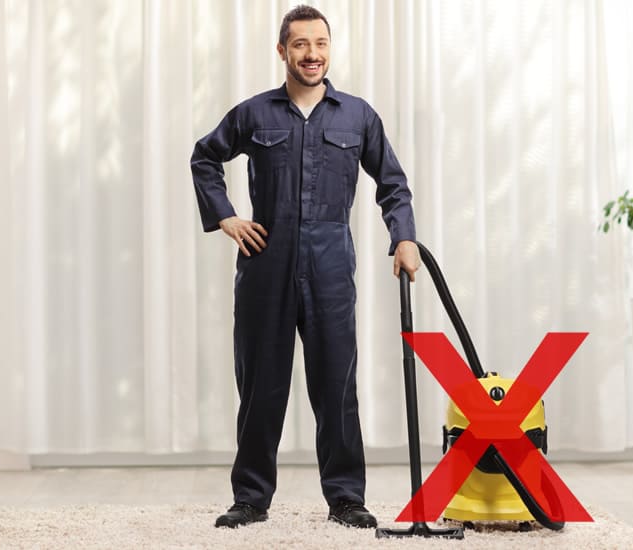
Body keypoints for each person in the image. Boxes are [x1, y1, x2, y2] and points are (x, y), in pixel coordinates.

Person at [190, 4, 421, 529]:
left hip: (331, 265)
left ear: (329, 49)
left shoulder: (358, 116)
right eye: (300, 45)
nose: (311, 54)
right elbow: (205, 157)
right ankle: (250, 497)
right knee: (261, 385)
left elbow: (393, 184)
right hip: (264, 264)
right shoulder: (254, 113)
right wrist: (226, 217)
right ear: (282, 51)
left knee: (335, 384)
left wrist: (403, 237)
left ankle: (346, 498)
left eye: (319, 44)